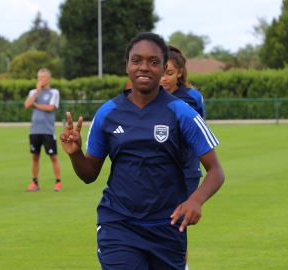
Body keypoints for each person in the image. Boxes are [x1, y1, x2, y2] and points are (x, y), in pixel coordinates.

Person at [60, 32, 225, 269]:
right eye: (136, 60)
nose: (144, 67)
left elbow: (216, 170)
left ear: (163, 67)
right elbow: (89, 175)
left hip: (168, 225)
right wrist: (75, 153)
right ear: (127, 66)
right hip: (118, 223)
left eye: (154, 62)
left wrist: (196, 200)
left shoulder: (182, 112)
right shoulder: (107, 113)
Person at [160, 45, 205, 270]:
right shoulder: (147, 96)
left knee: (176, 224)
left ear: (180, 72)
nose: (163, 78)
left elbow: (197, 137)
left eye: (169, 73)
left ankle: (181, 266)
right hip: (156, 173)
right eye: (161, 72)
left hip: (186, 172)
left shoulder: (192, 98)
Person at [24, 68, 62, 192]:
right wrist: (37, 93)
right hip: (34, 130)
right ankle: (34, 183)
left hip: (48, 130)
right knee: (35, 156)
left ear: (49, 79)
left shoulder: (54, 92)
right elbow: (27, 105)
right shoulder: (33, 92)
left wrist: (36, 104)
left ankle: (58, 182)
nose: (40, 79)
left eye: (43, 77)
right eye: (39, 77)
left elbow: (50, 108)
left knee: (53, 156)